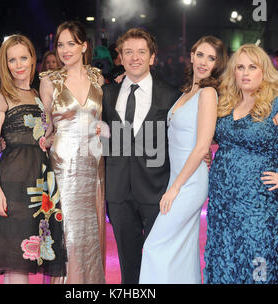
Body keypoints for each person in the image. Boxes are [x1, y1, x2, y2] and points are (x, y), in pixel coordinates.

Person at [204, 44, 278, 284]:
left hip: (259, 202)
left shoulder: (276, 104)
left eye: (252, 67)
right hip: (223, 201)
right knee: (225, 255)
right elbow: (218, 138)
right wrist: (207, 152)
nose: (245, 73)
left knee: (258, 257)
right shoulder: (227, 103)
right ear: (233, 72)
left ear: (263, 71)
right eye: (240, 67)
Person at [0, 35, 67, 284]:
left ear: (32, 59)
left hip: (40, 187)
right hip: (11, 185)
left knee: (24, 262)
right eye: (12, 60)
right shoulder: (0, 96)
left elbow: (41, 137)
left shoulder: (39, 94)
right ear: (5, 64)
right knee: (16, 262)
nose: (18, 65)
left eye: (23, 58)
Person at [139, 36, 227, 284]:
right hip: (177, 180)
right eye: (200, 54)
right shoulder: (188, 91)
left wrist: (175, 187)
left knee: (155, 245)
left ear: (217, 64)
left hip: (189, 183)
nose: (203, 62)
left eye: (211, 58)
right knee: (183, 251)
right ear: (191, 55)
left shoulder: (208, 93)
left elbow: (201, 147)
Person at [101, 28, 182, 284]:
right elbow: (100, 140)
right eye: (128, 52)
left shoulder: (170, 95)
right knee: (129, 266)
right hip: (119, 194)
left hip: (158, 192)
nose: (135, 57)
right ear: (120, 58)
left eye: (141, 52)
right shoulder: (107, 94)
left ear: (152, 57)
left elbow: (180, 141)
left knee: (161, 262)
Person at [39, 21, 106, 284]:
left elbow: (106, 118)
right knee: (65, 230)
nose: (65, 50)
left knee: (92, 230)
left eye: (71, 44)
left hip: (93, 163)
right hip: (62, 165)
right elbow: (45, 127)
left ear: (84, 46)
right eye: (60, 44)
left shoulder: (97, 78)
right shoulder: (49, 81)